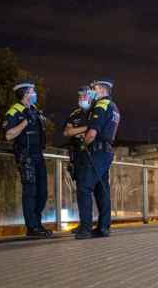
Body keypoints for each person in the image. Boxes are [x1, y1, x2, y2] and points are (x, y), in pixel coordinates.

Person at [3, 81, 52, 238]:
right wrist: (24, 123)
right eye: (32, 91)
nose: (35, 94)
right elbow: (8, 134)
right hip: (26, 156)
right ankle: (32, 227)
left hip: (38, 155)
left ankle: (37, 224)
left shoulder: (34, 110)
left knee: (42, 192)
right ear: (24, 94)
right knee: (30, 192)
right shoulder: (15, 111)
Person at [75, 79, 120, 239]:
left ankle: (85, 228)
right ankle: (103, 228)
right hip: (106, 151)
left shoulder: (101, 106)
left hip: (97, 151)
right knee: (102, 190)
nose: (91, 91)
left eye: (94, 88)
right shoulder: (114, 107)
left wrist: (83, 146)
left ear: (101, 90)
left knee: (84, 188)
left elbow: (92, 133)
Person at [62, 86, 93, 234]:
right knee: (81, 190)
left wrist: (78, 130)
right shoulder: (75, 114)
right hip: (77, 155)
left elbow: (95, 131)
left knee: (91, 190)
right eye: (79, 96)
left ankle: (95, 224)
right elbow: (67, 132)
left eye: (84, 96)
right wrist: (84, 129)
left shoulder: (95, 112)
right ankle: (84, 223)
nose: (81, 99)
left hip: (91, 155)